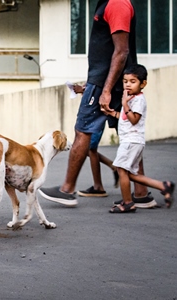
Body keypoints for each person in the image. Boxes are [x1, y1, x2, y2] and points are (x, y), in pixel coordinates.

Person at [39, 0, 155, 207]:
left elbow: (121, 52)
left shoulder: (117, 3)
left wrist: (106, 89)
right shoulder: (108, 3)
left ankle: (66, 189)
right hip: (104, 82)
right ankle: (141, 192)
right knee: (128, 133)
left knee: (83, 131)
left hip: (104, 84)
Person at [107, 64, 174, 213]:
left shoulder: (138, 100)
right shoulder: (132, 98)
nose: (128, 85)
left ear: (143, 84)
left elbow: (134, 119)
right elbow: (125, 118)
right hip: (131, 141)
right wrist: (112, 114)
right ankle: (164, 186)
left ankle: (128, 203)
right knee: (130, 174)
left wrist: (124, 104)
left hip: (132, 141)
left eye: (132, 81)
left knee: (121, 170)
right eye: (125, 81)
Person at [72, 84, 119, 198]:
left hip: (97, 112)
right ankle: (112, 167)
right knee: (89, 148)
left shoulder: (104, 71)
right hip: (96, 111)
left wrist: (83, 89)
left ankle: (98, 186)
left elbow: (99, 88)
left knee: (90, 148)